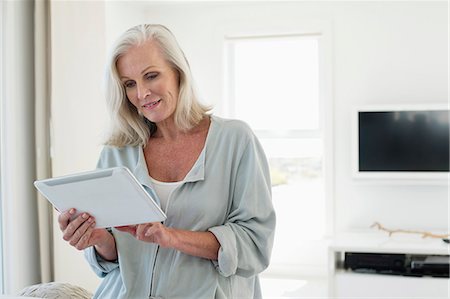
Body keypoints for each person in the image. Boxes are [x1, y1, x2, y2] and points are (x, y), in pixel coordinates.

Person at [57, 24, 276, 299]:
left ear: (178, 72)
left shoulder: (235, 140)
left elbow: (255, 246)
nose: (142, 93)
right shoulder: (117, 151)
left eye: (151, 76)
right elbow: (113, 260)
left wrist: (170, 237)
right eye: (129, 84)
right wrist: (98, 239)